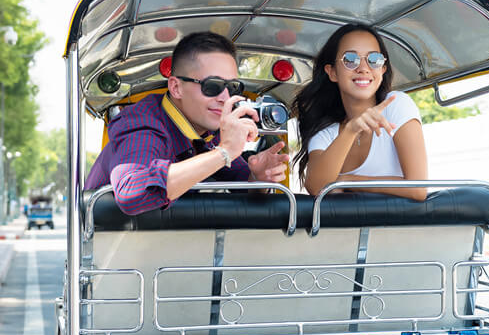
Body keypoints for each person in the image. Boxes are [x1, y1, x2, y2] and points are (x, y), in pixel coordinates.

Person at [86, 32, 290, 215]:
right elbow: (133, 194)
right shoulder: (141, 124)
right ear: (176, 88)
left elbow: (241, 182)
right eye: (212, 86)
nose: (225, 97)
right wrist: (223, 152)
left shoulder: (210, 134)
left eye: (232, 87)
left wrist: (258, 175)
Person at [292, 24, 428, 201]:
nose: (364, 68)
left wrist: (348, 180)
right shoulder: (326, 133)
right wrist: (351, 130)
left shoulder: (396, 104)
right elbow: (317, 187)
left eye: (374, 59)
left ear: (382, 70)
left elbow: (418, 189)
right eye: (350, 59)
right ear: (332, 72)